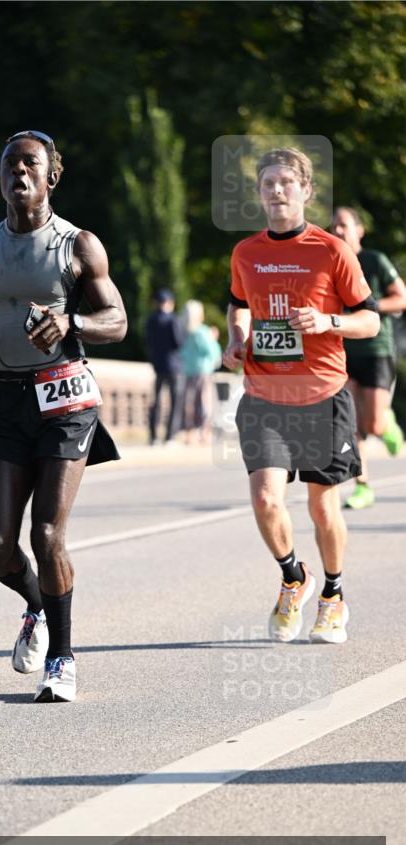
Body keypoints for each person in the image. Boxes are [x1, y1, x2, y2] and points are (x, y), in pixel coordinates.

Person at [0, 130, 126, 703]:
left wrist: (72, 326)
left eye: (30, 164)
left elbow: (118, 321)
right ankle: (34, 605)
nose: (18, 173)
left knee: (48, 533)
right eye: (9, 164)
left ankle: (62, 656)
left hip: (65, 401)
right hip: (7, 400)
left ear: (51, 175)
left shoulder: (78, 245)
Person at [223, 147, 379, 645]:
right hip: (264, 395)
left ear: (306, 190)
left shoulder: (333, 250)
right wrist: (236, 337)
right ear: (259, 193)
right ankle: (294, 577)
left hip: (322, 395)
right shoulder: (246, 252)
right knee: (268, 498)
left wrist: (328, 320)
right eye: (268, 182)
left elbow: (370, 318)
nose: (276, 190)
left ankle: (333, 593)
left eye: (286, 182)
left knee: (321, 507)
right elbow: (237, 306)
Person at [331, 207, 406, 509]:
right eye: (333, 226)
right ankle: (362, 486)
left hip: (377, 350)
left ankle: (387, 424)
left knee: (372, 423)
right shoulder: (331, 263)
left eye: (343, 225)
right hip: (344, 352)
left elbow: (402, 297)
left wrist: (368, 309)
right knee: (352, 423)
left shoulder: (374, 260)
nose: (337, 231)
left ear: (359, 230)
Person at [180, 300, 222, 444]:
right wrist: (214, 338)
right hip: (203, 371)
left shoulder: (184, 333)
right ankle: (205, 433)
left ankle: (189, 434)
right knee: (205, 403)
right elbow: (213, 352)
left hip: (188, 371)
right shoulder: (203, 332)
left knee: (189, 403)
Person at [145, 289, 184, 444]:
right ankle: (170, 436)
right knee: (174, 401)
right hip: (173, 365)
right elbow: (178, 342)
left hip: (157, 364)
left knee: (157, 401)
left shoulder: (151, 320)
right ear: (170, 303)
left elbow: (148, 341)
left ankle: (153, 436)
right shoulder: (172, 320)